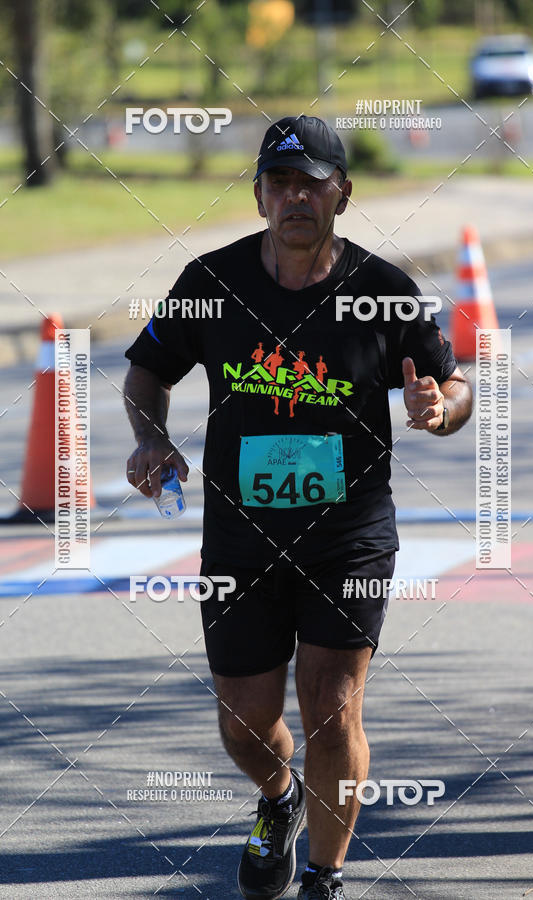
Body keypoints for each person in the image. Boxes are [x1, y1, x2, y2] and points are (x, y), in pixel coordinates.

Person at [124, 115, 472, 900]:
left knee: (331, 708)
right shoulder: (210, 286)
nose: (294, 199)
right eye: (278, 184)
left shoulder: (384, 292)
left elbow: (456, 385)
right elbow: (148, 372)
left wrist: (438, 409)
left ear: (342, 194)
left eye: (311, 182)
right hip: (240, 538)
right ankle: (279, 799)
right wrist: (151, 440)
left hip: (347, 538)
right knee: (245, 725)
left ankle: (324, 877)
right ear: (258, 197)